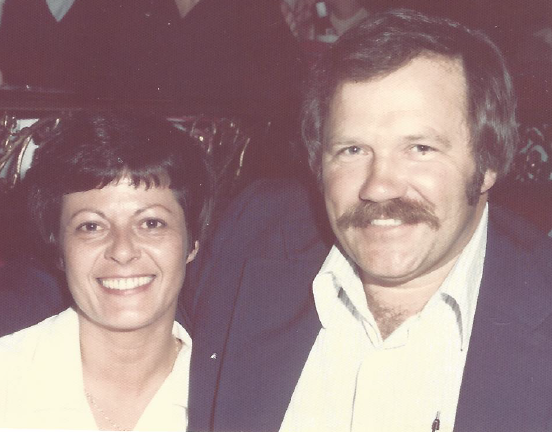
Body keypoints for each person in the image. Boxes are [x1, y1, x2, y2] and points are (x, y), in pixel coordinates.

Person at [184, 9, 552, 432]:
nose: (379, 187)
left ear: (488, 162)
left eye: (419, 148)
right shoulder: (252, 235)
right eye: (352, 150)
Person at [0, 112, 213, 430]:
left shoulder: (234, 396)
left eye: (151, 223)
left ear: (192, 242)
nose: (122, 251)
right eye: (91, 226)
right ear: (59, 250)